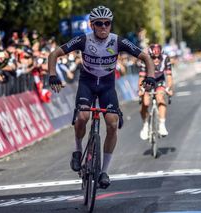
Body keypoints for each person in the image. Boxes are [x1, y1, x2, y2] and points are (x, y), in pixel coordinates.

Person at [48, 6, 155, 189]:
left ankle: (104, 171)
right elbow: (54, 54)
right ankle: (78, 150)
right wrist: (52, 75)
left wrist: (150, 77)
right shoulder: (83, 40)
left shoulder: (117, 41)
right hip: (87, 84)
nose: (104, 27)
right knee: (82, 117)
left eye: (107, 23)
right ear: (92, 25)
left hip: (107, 86)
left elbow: (145, 57)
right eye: (99, 24)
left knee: (112, 123)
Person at [138, 43, 173, 140]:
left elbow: (169, 76)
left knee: (160, 97)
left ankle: (162, 124)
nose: (156, 60)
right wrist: (141, 89)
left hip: (159, 80)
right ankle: (145, 125)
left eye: (159, 57)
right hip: (148, 80)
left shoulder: (166, 59)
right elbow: (141, 78)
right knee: (145, 102)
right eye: (154, 57)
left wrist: (169, 88)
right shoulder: (145, 59)